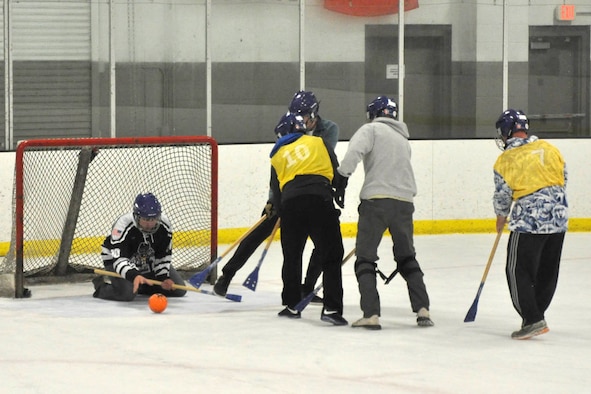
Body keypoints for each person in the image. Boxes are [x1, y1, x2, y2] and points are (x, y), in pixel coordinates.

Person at [213, 91, 340, 301]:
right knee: (260, 230)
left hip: (315, 191)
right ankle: (226, 275)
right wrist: (273, 198)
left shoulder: (328, 130)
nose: (300, 119)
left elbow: (319, 159)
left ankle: (306, 287)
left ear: (314, 114)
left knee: (323, 243)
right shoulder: (288, 125)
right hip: (287, 190)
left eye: (304, 116)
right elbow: (281, 163)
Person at [335, 96, 433, 330]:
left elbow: (354, 153)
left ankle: (371, 314)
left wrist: (341, 177)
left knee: (365, 259)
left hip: (376, 202)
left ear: (373, 113)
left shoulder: (371, 130)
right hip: (404, 203)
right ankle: (423, 310)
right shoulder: (402, 138)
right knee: (407, 257)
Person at [493, 109, 568, 340]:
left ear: (506, 132)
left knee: (517, 270)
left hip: (529, 218)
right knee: (548, 270)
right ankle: (536, 315)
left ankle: (533, 319)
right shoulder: (549, 148)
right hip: (559, 215)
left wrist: (501, 215)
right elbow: (563, 177)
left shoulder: (506, 158)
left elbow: (503, 193)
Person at [270, 112, 347, 325]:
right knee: (332, 255)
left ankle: (291, 305)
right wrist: (338, 195)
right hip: (319, 198)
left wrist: (282, 212)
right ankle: (331, 309)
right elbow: (337, 172)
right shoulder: (318, 142)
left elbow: (276, 191)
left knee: (292, 256)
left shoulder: (276, 155)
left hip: (291, 204)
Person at [92, 192, 187, 301]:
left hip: (147, 260)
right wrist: (134, 275)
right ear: (137, 216)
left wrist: (164, 277)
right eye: (146, 220)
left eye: (153, 219)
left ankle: (142, 285)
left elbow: (163, 255)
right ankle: (100, 286)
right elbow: (119, 259)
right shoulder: (122, 225)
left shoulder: (164, 226)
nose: (150, 224)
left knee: (179, 290)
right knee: (126, 294)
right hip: (117, 261)